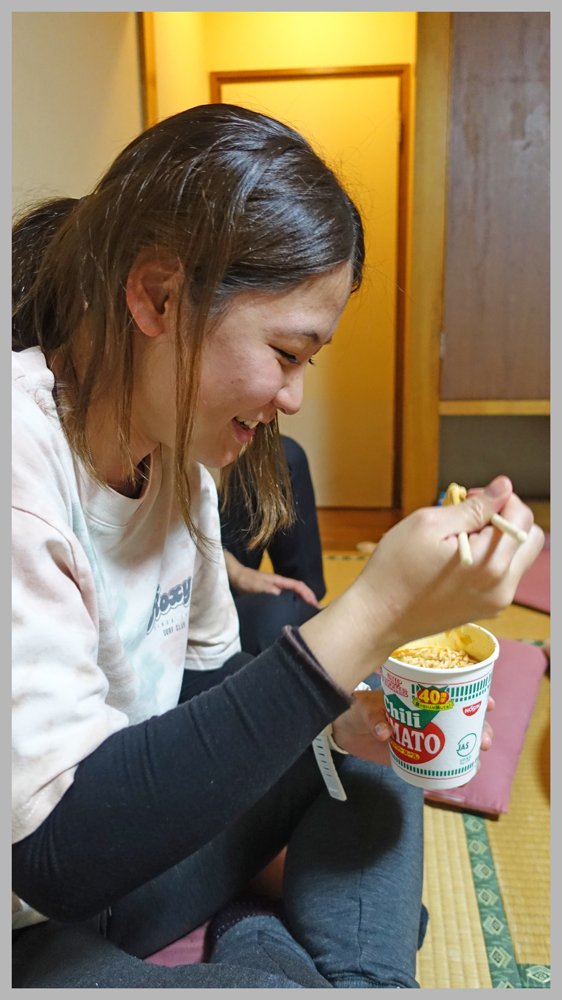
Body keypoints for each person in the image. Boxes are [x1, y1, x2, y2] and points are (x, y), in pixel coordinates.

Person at [12, 104, 542, 989]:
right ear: (157, 297)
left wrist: (339, 721)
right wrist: (375, 613)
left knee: (376, 783)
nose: (293, 398)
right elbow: (54, 854)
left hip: (142, 860)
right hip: (37, 907)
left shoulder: (182, 474)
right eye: (287, 352)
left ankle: (336, 968)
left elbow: (208, 691)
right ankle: (274, 946)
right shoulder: (21, 475)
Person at [221, 435, 325, 655]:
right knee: (277, 616)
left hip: (207, 550)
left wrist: (235, 571)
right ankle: (300, 613)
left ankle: (307, 603)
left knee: (280, 455)